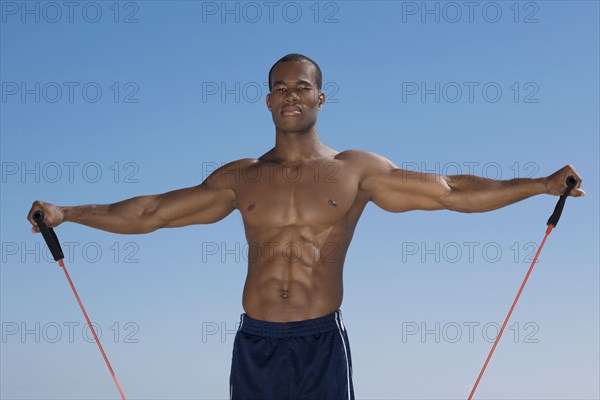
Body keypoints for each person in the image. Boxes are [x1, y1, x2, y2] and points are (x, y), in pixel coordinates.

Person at [27, 53, 584, 400]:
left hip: (321, 341)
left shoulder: (356, 170)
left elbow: (452, 192)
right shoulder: (241, 177)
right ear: (268, 100)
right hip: (256, 339)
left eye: (301, 87)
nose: (290, 95)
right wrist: (67, 214)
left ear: (321, 96)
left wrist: (538, 184)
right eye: (280, 87)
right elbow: (151, 212)